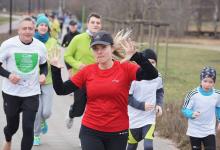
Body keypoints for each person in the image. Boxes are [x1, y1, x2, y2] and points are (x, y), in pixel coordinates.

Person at [49, 30, 158, 150]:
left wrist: (136, 56)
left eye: (103, 47)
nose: (99, 52)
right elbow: (61, 90)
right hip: (91, 130)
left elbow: (152, 74)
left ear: (111, 48)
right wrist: (55, 69)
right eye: (95, 48)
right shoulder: (87, 71)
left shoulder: (125, 68)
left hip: (118, 132)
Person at [0, 17, 48, 150]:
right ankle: (8, 138)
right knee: (12, 127)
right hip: (11, 92)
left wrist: (43, 75)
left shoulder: (40, 46)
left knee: (28, 127)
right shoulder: (8, 45)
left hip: (31, 92)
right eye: (24, 28)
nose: (27, 31)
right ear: (18, 30)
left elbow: (44, 65)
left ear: (35, 30)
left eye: (30, 28)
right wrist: (8, 75)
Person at [64, 12, 102, 129]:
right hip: (80, 79)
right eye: (93, 22)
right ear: (87, 24)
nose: (95, 25)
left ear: (101, 25)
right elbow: (67, 56)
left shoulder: (103, 40)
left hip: (97, 80)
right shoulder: (78, 38)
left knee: (93, 110)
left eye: (98, 23)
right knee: (79, 109)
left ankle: (86, 137)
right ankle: (71, 113)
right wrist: (77, 64)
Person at [127, 49, 164, 150]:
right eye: (148, 62)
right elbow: (127, 97)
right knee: (131, 146)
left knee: (148, 146)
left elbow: (159, 91)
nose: (150, 64)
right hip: (133, 118)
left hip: (149, 117)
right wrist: (142, 105)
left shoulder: (158, 77)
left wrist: (159, 105)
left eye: (153, 62)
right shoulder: (134, 76)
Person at [33, 14, 58, 146]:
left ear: (48, 28)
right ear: (37, 27)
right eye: (41, 24)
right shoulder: (31, 40)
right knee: (37, 110)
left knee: (46, 112)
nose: (43, 27)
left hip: (48, 81)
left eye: (45, 25)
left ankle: (44, 120)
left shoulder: (53, 42)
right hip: (33, 82)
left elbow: (55, 59)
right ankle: (36, 135)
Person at [181, 66, 220, 150]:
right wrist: (191, 114)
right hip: (195, 130)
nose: (207, 84)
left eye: (211, 82)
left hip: (209, 130)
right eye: (205, 81)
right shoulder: (193, 94)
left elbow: (218, 107)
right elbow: (184, 110)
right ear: (201, 80)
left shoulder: (217, 95)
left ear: (214, 83)